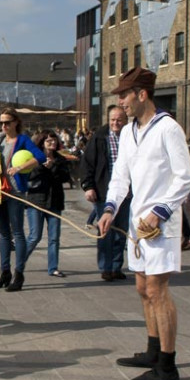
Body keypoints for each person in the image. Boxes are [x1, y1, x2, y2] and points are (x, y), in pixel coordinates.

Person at [97, 67, 190, 380]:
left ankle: (168, 365)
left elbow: (185, 177)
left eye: (124, 95)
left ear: (142, 95)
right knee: (142, 288)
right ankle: (153, 350)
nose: (121, 102)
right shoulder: (128, 132)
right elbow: (121, 176)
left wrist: (162, 211)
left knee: (157, 289)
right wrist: (111, 207)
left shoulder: (168, 128)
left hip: (160, 223)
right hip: (137, 221)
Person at [0, 108, 47, 291]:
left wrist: (20, 167)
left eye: (7, 122)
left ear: (15, 122)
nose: (3, 126)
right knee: (4, 234)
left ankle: (19, 274)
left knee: (18, 233)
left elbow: (41, 157)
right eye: (1, 123)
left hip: (15, 192)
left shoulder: (22, 140)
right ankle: (4, 272)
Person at [81, 106, 131, 282]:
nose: (115, 123)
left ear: (125, 120)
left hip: (127, 194)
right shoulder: (99, 138)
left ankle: (116, 266)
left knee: (121, 231)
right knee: (105, 231)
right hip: (104, 192)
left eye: (119, 120)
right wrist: (88, 186)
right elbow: (87, 163)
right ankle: (105, 267)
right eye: (112, 120)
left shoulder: (131, 137)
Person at [24, 131, 71, 286]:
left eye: (54, 141)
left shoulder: (61, 159)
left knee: (54, 237)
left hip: (55, 202)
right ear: (42, 142)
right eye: (49, 141)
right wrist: (42, 167)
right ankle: (20, 262)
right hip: (36, 200)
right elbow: (29, 176)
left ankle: (53, 267)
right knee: (34, 236)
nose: (52, 143)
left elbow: (65, 178)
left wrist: (53, 167)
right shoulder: (34, 158)